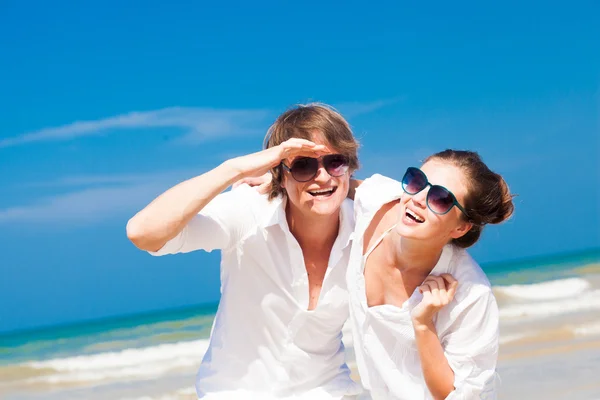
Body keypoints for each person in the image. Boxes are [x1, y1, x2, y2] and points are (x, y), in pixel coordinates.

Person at [126, 104, 362, 399]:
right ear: (280, 173)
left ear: (350, 165)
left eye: (335, 162)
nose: (323, 176)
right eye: (303, 166)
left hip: (331, 392)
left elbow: (424, 204)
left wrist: (354, 188)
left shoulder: (366, 221)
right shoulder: (249, 211)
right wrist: (233, 169)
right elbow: (143, 232)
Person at [348, 150, 514, 400]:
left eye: (440, 198)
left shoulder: (471, 295)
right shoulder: (377, 202)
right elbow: (322, 185)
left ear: (460, 227)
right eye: (417, 181)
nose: (417, 199)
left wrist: (424, 324)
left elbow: (454, 395)